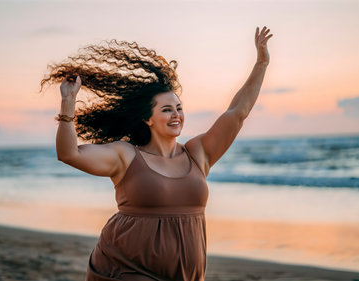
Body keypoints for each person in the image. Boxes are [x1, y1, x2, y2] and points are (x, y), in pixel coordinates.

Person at [41, 26, 272, 281]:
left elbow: (237, 113)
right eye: (166, 109)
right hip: (126, 269)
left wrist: (261, 64)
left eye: (179, 107)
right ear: (147, 118)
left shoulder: (198, 153)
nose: (176, 114)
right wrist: (67, 105)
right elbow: (69, 154)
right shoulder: (126, 155)